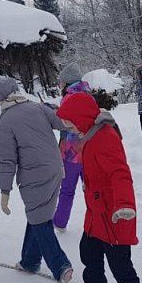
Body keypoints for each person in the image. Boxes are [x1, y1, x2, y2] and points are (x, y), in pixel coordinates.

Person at [57, 92, 141, 283]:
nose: (71, 129)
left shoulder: (104, 138)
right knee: (89, 255)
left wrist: (124, 205)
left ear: (81, 119)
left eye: (71, 124)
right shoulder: (90, 134)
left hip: (114, 216)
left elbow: (120, 173)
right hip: (96, 215)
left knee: (121, 269)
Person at [0, 77, 74, 283]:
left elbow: (7, 160)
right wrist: (83, 123)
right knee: (40, 213)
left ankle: (61, 266)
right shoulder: (38, 107)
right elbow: (62, 122)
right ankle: (30, 261)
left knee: (39, 220)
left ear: (1, 100)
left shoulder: (5, 120)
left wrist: (5, 190)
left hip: (34, 174)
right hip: (56, 168)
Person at [53, 63, 91, 231]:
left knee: (67, 189)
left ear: (67, 81)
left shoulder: (69, 97)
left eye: (61, 81)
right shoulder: (89, 95)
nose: (59, 84)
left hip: (71, 152)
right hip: (89, 150)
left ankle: (60, 222)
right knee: (91, 189)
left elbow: (63, 123)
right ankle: (97, 222)